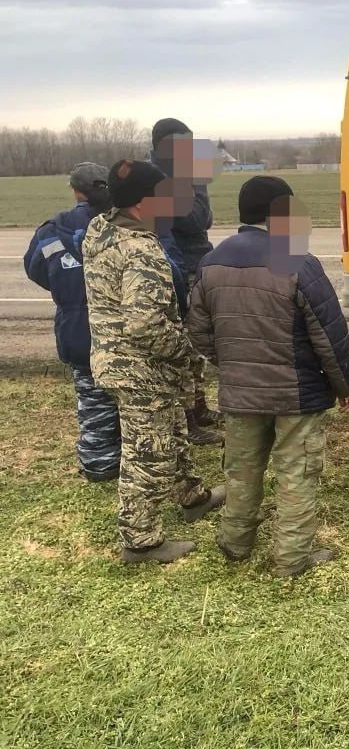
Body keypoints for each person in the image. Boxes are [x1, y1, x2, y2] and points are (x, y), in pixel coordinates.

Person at [186, 176, 349, 578]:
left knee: (242, 471)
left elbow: (198, 330)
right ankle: (291, 559)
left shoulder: (211, 262)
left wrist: (231, 364)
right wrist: (345, 386)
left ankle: (235, 544)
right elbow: (329, 336)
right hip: (296, 395)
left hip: (239, 393)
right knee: (296, 474)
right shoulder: (299, 260)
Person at [82, 159, 226, 564]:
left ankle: (192, 497)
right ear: (144, 203)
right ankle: (141, 540)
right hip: (138, 367)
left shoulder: (102, 229)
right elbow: (146, 324)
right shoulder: (140, 250)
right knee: (148, 451)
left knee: (174, 429)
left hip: (120, 359)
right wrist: (187, 350)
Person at [23, 163, 122, 481]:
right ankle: (137, 464)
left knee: (93, 400)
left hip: (78, 330)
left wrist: (68, 291)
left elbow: (36, 268)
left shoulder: (53, 229)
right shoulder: (126, 223)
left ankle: (100, 465)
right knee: (131, 399)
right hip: (122, 327)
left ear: (75, 190)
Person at [150, 117, 222, 446]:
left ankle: (199, 406)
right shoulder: (160, 178)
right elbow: (194, 220)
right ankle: (188, 420)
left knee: (197, 345)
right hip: (177, 269)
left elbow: (203, 217)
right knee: (182, 346)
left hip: (196, 263)